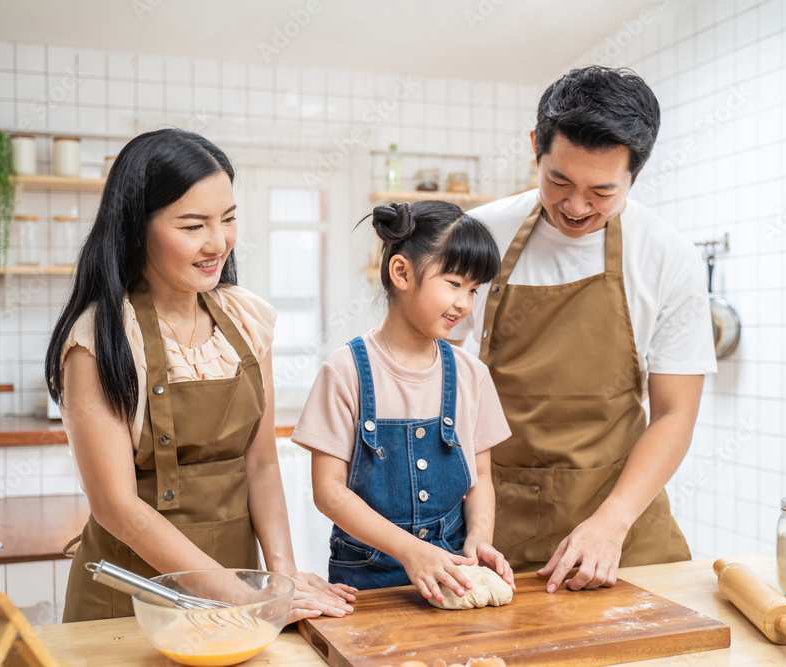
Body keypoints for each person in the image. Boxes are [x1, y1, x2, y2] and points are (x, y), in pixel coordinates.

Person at [45, 128, 355, 622]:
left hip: (243, 590)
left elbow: (262, 464)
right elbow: (117, 507)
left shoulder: (246, 320)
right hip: (133, 601)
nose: (218, 243)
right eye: (192, 226)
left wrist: (282, 577)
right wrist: (245, 598)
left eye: (228, 219)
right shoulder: (101, 337)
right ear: (135, 228)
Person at [449, 66, 717, 593]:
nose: (575, 207)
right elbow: (437, 383)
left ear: (635, 175)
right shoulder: (478, 236)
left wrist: (612, 523)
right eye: (559, 181)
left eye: (602, 191)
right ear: (536, 148)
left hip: (623, 524)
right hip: (497, 524)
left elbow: (673, 413)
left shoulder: (668, 257)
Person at [292, 201, 515, 602]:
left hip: (451, 577)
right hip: (366, 582)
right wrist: (411, 551)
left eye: (473, 289)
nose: (465, 303)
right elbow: (329, 491)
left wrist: (479, 539)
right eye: (453, 282)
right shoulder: (346, 371)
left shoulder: (471, 375)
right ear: (402, 273)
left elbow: (479, 478)